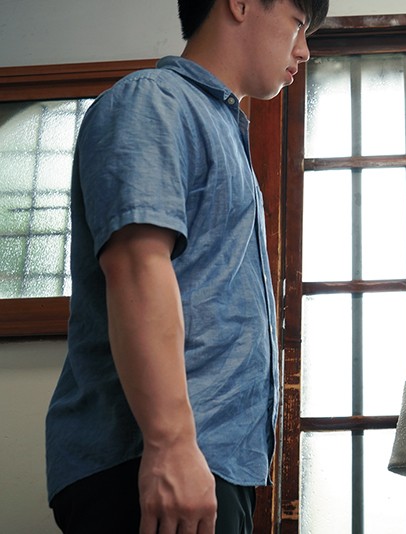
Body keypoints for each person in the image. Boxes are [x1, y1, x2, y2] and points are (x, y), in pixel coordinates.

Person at [45, 1, 328, 532]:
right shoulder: (153, 101)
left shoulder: (220, 124)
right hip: (152, 460)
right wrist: (171, 443)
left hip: (207, 461)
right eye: (298, 23)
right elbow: (137, 266)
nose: (305, 50)